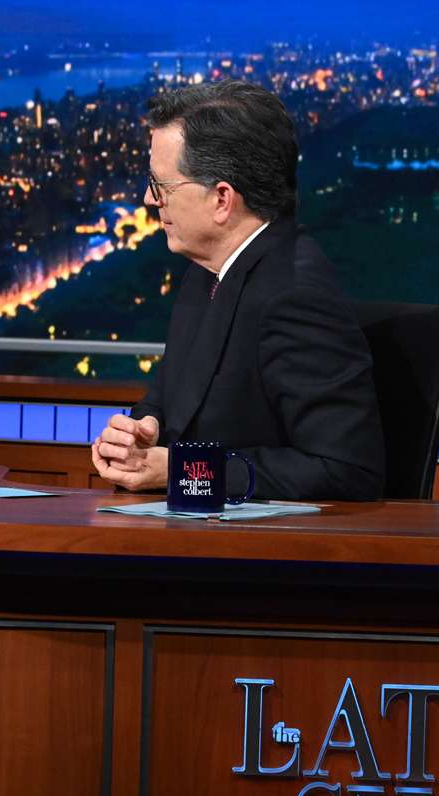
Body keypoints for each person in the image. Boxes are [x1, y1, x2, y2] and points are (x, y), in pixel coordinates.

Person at [91, 82, 385, 501]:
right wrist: (142, 433)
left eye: (161, 186)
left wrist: (182, 471)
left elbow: (346, 470)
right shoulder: (206, 274)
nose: (149, 200)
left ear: (222, 199)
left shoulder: (294, 295)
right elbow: (169, 401)